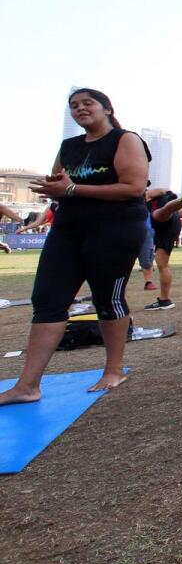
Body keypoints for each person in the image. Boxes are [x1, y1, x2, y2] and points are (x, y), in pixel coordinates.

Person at [0, 88, 150, 405]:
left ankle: (113, 369)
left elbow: (134, 187)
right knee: (47, 299)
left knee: (107, 298)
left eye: (87, 103)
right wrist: (54, 190)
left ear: (107, 108)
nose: (79, 108)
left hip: (115, 228)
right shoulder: (69, 146)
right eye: (73, 105)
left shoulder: (126, 140)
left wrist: (71, 188)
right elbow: (61, 186)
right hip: (68, 228)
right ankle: (27, 385)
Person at [142, 188, 182, 311]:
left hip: (164, 220)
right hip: (168, 225)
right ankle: (164, 300)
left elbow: (165, 190)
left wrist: (169, 194)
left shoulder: (147, 194)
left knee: (162, 212)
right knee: (162, 264)